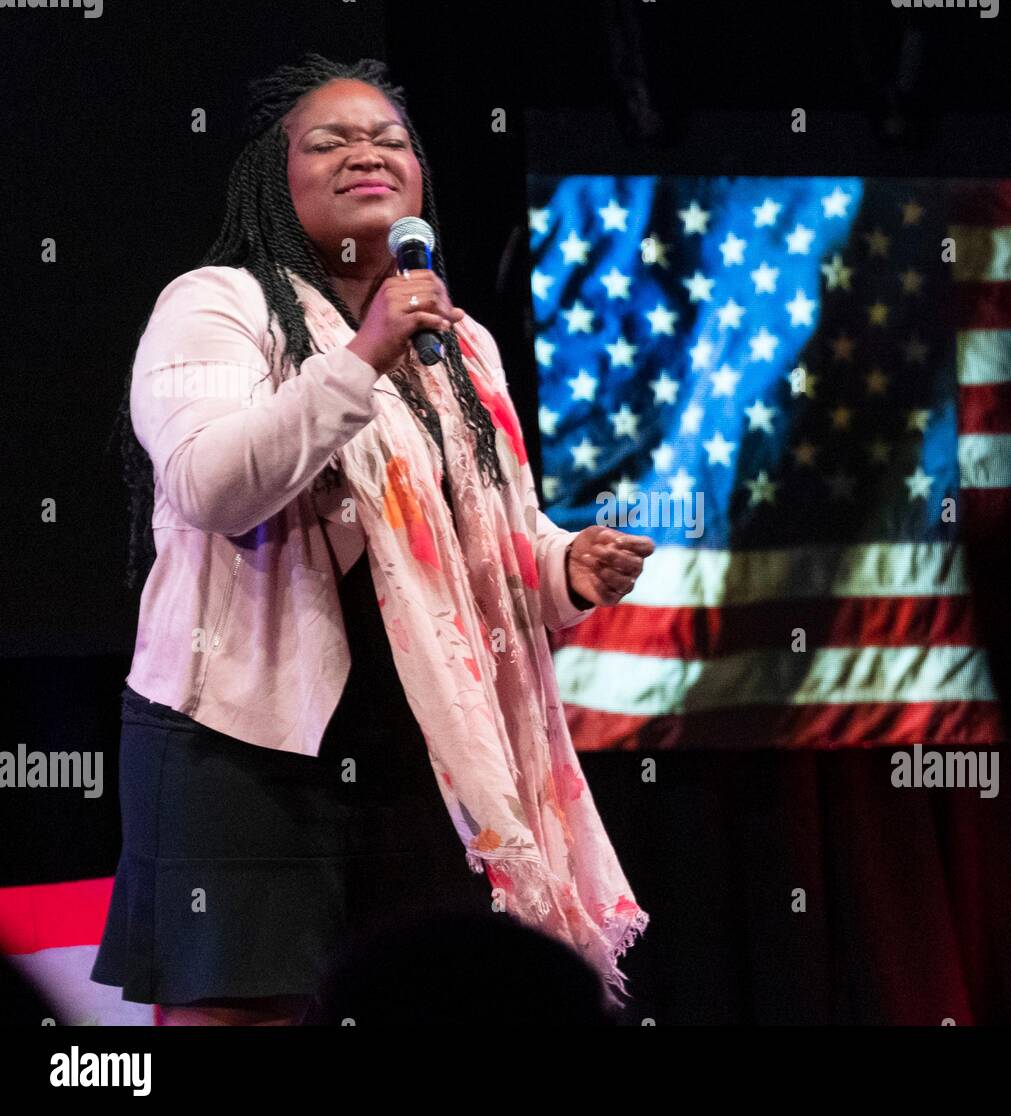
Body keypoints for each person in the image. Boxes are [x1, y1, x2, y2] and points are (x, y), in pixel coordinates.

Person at [93, 53, 653, 1025]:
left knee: (437, 1006)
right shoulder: (219, 306)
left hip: (423, 737)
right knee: (241, 1011)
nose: (368, 153)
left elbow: (489, 533)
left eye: (390, 139)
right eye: (332, 140)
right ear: (279, 179)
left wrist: (566, 564)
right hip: (242, 734)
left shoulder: (458, 342)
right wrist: (364, 355)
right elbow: (215, 485)